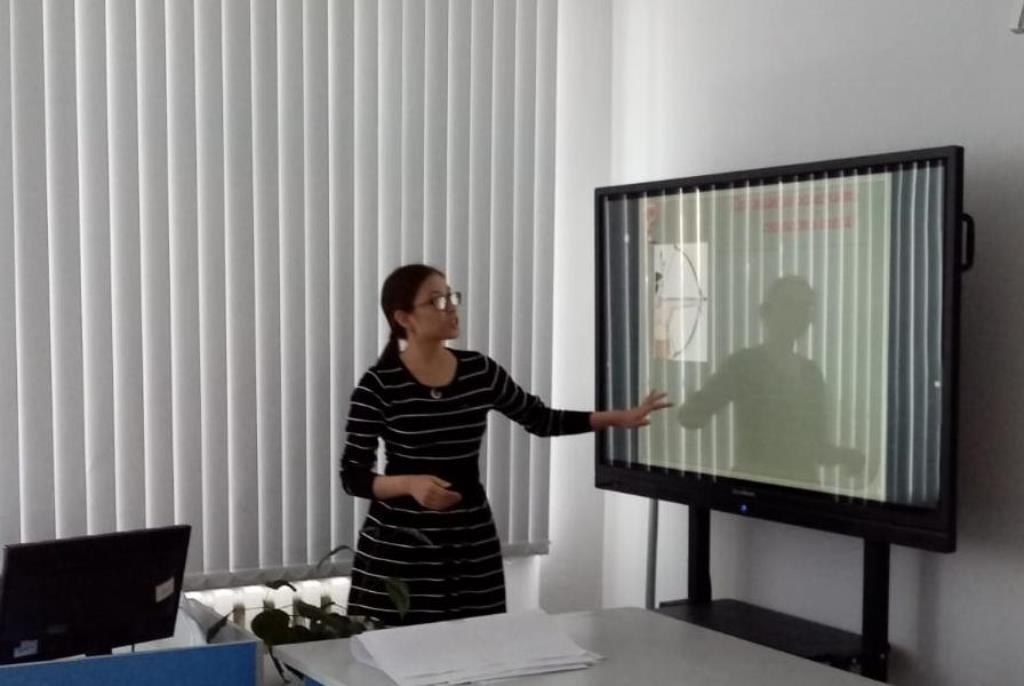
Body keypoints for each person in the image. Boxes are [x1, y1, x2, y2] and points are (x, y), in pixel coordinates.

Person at [341, 264, 670, 626]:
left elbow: (540, 419)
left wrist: (618, 418)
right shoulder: (378, 385)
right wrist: (410, 484)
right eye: (437, 301)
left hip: (469, 537)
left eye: (451, 296)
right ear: (404, 318)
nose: (452, 307)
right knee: (397, 647)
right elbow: (353, 476)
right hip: (400, 544)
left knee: (479, 641)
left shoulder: (479, 371)